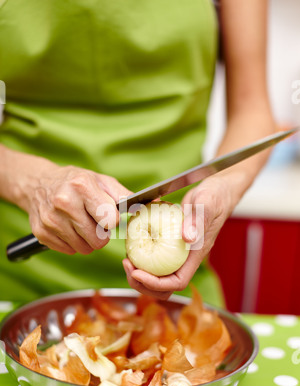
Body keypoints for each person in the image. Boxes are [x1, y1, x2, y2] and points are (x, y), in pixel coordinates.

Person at [0, 0, 275, 306]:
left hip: (180, 286)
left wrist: (223, 186)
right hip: (21, 285)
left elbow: (253, 110)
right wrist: (29, 181)